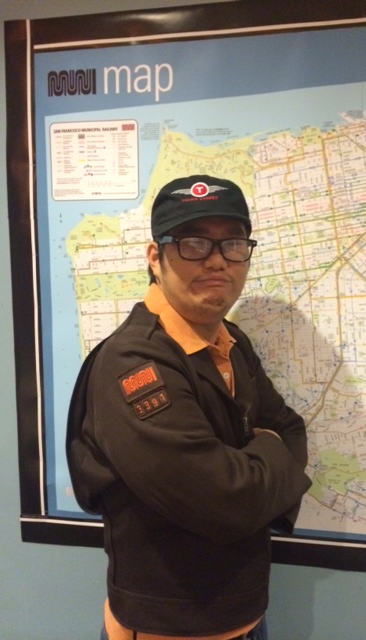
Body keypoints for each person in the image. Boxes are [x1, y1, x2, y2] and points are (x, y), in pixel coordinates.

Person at [66, 174, 311, 640]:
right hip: (167, 630)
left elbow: (290, 428)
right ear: (155, 258)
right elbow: (227, 503)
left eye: (233, 243)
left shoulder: (232, 341)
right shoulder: (133, 363)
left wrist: (257, 458)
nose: (217, 260)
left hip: (245, 619)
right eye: (193, 243)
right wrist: (265, 453)